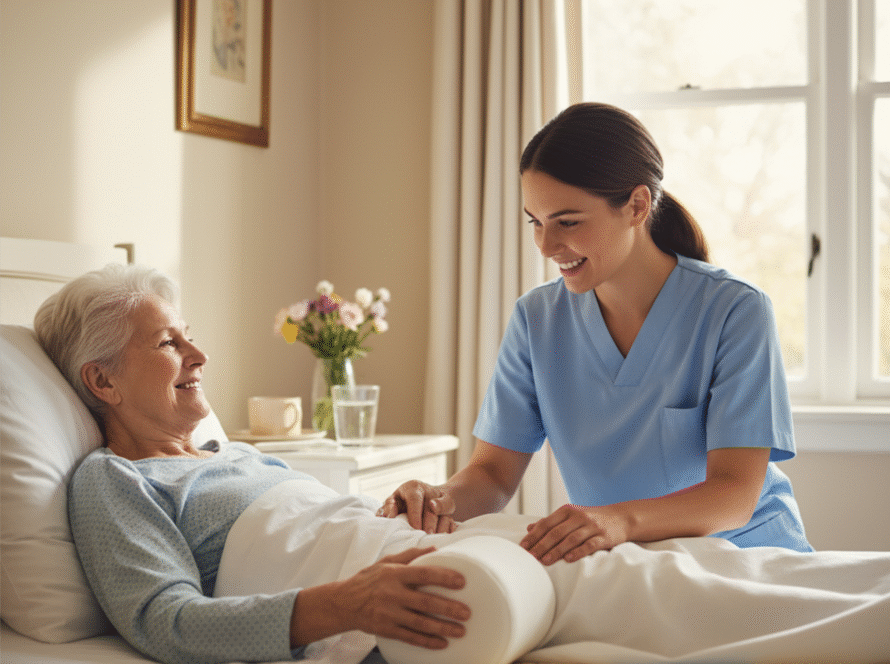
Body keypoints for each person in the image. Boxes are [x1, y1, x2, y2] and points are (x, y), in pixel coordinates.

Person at [378, 102, 813, 559]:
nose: (546, 245)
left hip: (748, 556)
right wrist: (438, 499)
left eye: (568, 222)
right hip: (626, 565)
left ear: (637, 206)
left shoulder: (735, 311)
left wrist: (617, 519)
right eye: (536, 222)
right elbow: (492, 476)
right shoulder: (537, 320)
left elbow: (735, 493)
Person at [34, 264, 471, 664]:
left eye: (188, 335)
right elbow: (168, 623)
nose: (199, 355)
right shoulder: (114, 478)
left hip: (420, 554)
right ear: (103, 380)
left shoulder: (238, 453)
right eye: (169, 342)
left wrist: (401, 506)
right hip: (382, 625)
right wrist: (346, 605)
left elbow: (326, 532)